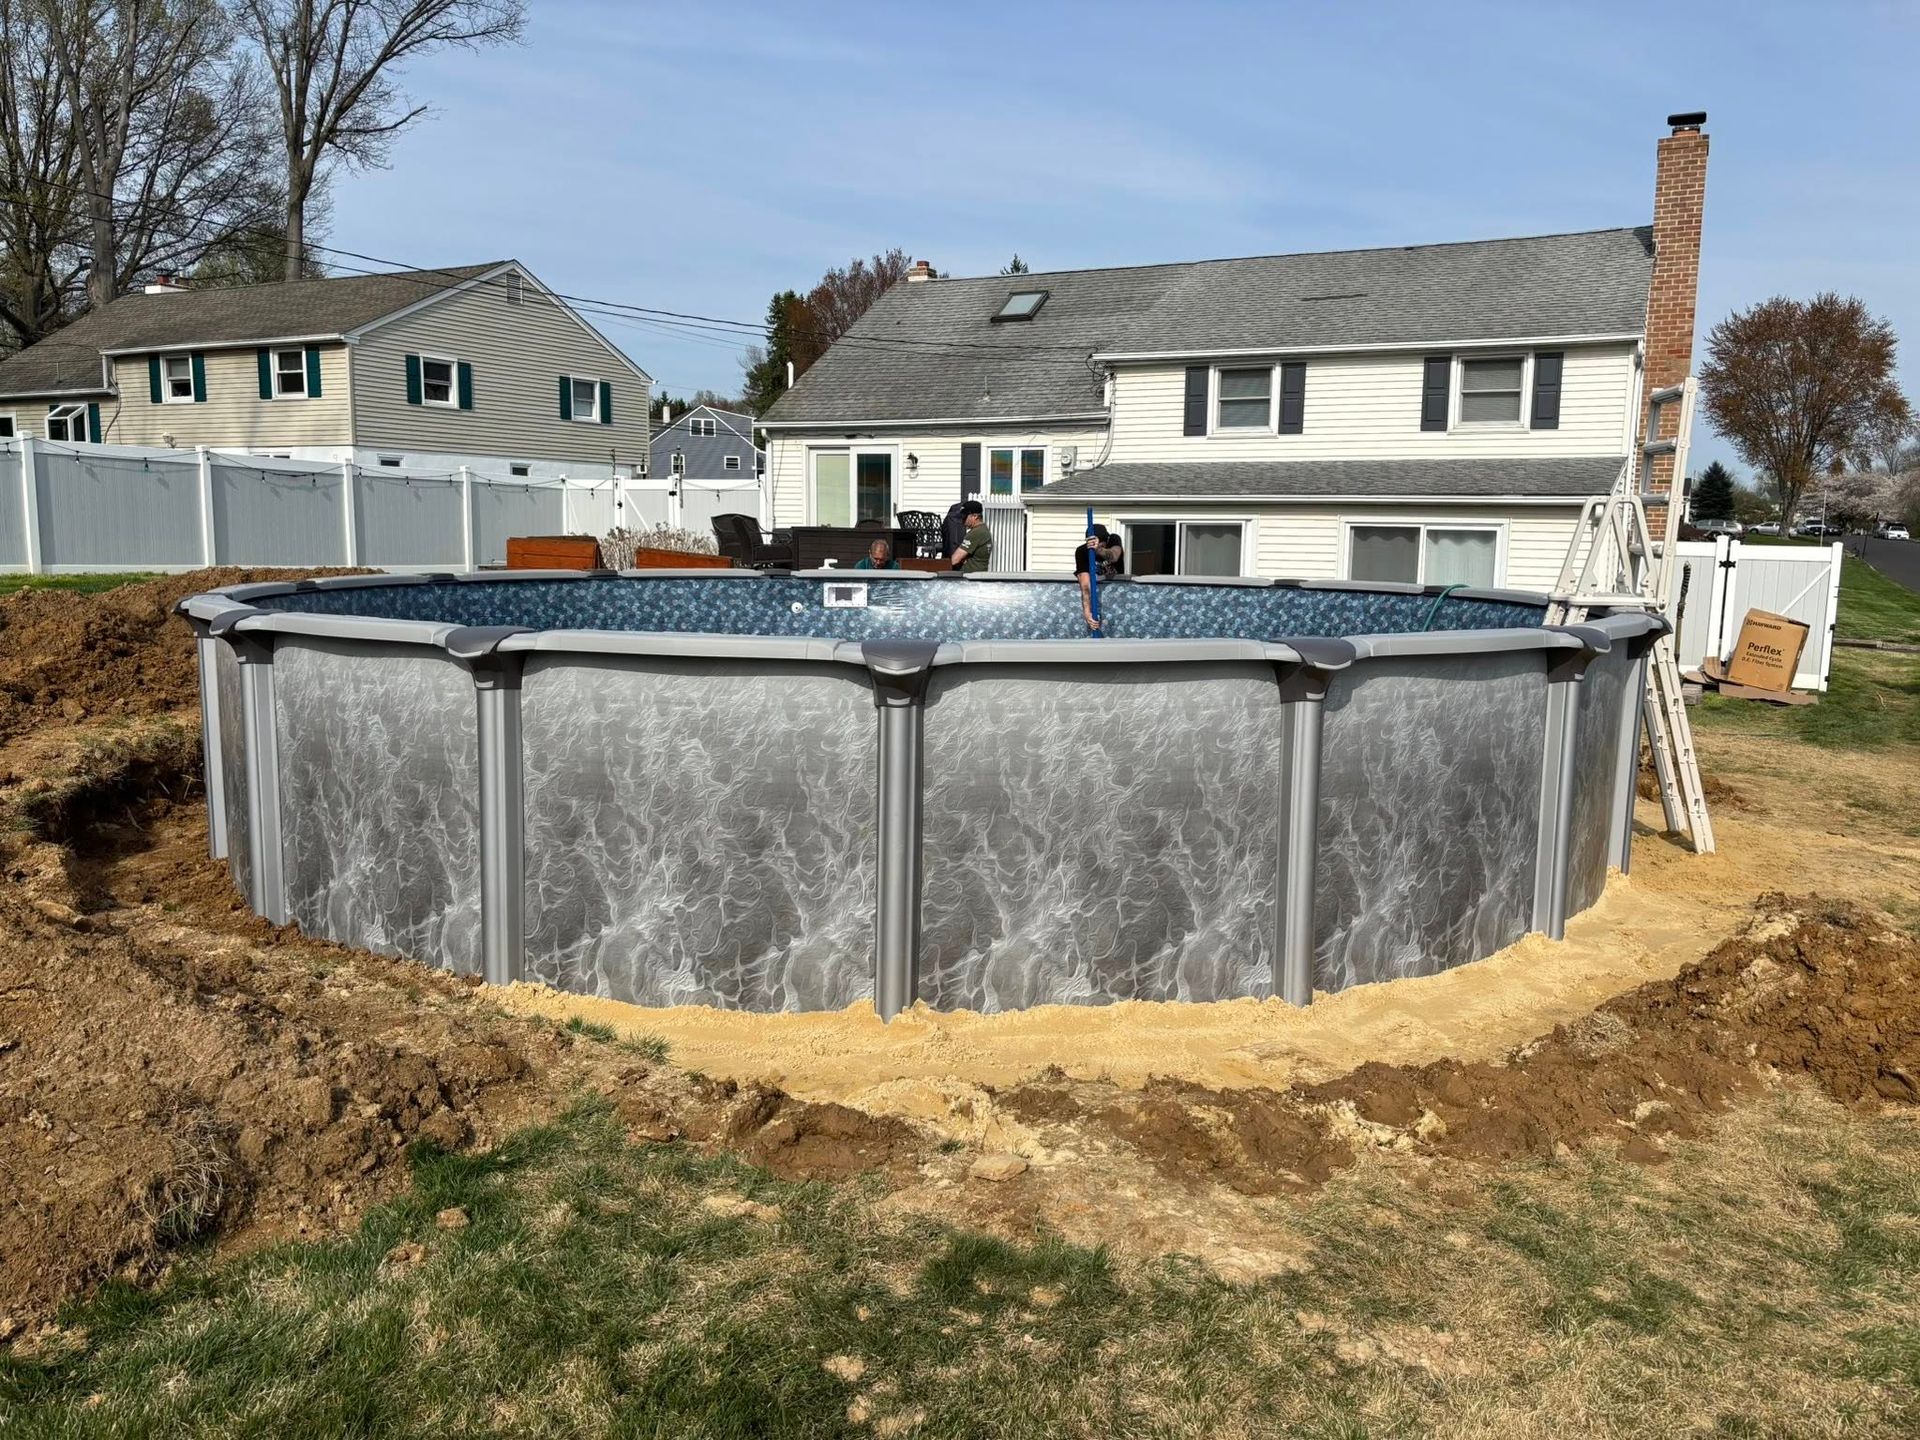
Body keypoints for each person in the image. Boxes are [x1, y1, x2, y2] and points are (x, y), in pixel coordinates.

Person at [1073, 525, 1126, 630]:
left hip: (1118, 590)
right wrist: (1087, 612)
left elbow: (1114, 556)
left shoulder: (1113, 539)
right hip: (1100, 595)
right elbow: (1085, 585)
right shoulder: (1082, 551)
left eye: (1102, 544)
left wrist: (1098, 550)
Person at [949, 501, 993, 572]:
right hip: (978, 574)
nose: (962, 520)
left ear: (975, 516)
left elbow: (955, 560)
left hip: (970, 577)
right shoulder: (983, 529)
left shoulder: (976, 533)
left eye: (964, 517)